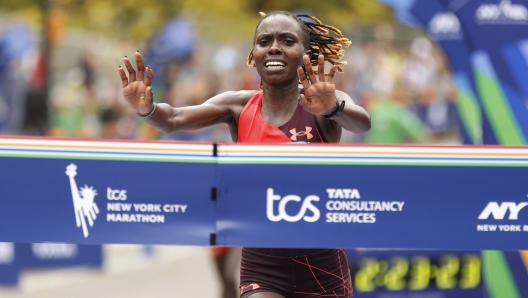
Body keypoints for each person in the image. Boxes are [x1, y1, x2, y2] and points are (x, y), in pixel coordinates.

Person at [119, 10, 371, 298]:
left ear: (305, 53)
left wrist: (332, 109)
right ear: (255, 54)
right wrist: (146, 109)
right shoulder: (238, 106)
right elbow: (173, 118)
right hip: (262, 266)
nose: (274, 47)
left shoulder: (324, 101)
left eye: (287, 40)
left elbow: (361, 121)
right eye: (265, 41)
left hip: (322, 266)